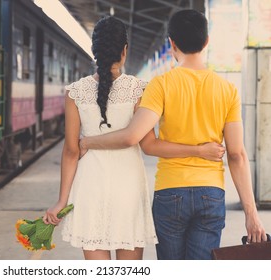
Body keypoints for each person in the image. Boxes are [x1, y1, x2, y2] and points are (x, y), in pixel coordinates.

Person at [79, 10, 267, 260]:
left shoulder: (161, 84)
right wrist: (251, 213)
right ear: (207, 41)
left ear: (171, 43)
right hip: (210, 193)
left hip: (170, 191)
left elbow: (143, 141)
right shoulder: (227, 90)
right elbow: (236, 154)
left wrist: (87, 142)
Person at [43, 16, 223, 260]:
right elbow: (145, 141)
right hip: (128, 187)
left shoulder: (75, 92)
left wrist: (61, 201)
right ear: (125, 50)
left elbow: (71, 151)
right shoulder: (140, 89)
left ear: (95, 51)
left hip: (90, 186)